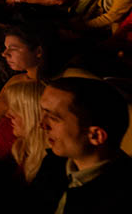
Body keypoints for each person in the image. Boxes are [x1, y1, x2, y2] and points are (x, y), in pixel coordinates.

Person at [40, 77, 132, 211]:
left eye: (53, 118)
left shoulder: (122, 199)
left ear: (96, 136)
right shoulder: (53, 163)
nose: (41, 124)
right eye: (43, 112)